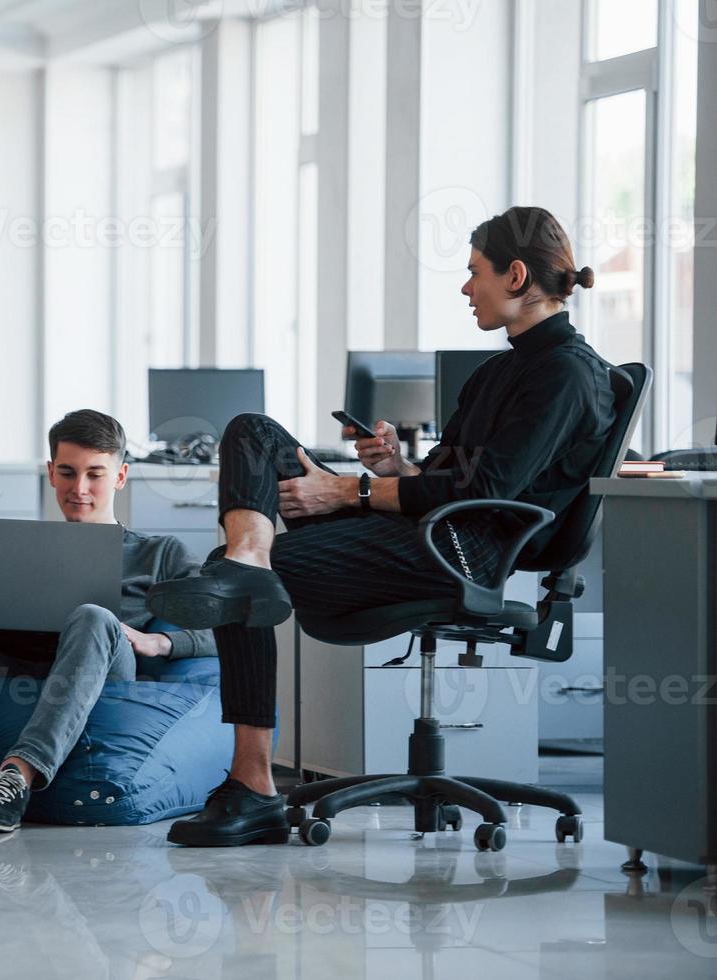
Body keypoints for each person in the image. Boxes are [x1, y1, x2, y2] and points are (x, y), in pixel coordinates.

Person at [147, 205, 616, 847]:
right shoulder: (499, 370)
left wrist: (349, 488)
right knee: (249, 431)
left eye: (473, 272)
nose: (464, 287)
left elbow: (484, 492)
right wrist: (392, 464)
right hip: (431, 532)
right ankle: (247, 560)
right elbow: (451, 476)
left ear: (514, 276)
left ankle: (253, 782)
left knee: (240, 580)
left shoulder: (565, 372)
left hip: (462, 553)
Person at [0, 409, 217, 832]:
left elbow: (220, 622)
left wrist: (158, 643)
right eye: (67, 473)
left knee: (94, 616)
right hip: (10, 660)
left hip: (102, 667)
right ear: (50, 473)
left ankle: (17, 776)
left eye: (94, 474)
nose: (79, 488)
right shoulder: (28, 547)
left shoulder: (159, 553)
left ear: (120, 477)